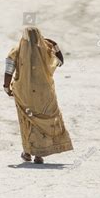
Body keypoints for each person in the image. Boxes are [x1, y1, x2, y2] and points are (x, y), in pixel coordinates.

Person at [4, 27, 73, 164]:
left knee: (28, 121)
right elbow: (60, 61)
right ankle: (39, 155)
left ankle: (28, 152)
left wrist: (6, 87)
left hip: (25, 93)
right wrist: (54, 44)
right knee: (44, 121)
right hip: (45, 94)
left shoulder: (16, 50)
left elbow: (8, 70)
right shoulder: (46, 49)